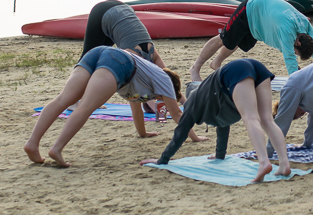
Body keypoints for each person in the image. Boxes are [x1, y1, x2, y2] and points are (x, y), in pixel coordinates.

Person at [24, 46, 207, 167]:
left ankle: (32, 144)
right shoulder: (165, 81)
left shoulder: (144, 84)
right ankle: (56, 148)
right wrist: (195, 137)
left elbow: (136, 108)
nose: (163, 102)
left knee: (62, 100)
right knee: (86, 107)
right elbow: (176, 114)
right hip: (121, 62)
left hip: (98, 53)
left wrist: (143, 133)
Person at [140, 59, 291, 183]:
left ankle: (264, 162)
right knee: (267, 120)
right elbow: (223, 125)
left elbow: (180, 134)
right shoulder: (210, 101)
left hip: (234, 71)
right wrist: (220, 155)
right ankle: (284, 165)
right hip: (255, 65)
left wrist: (162, 160)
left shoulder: (193, 104)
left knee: (250, 118)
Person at [190, 0, 313, 81]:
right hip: (251, 8)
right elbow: (289, 58)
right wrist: (296, 80)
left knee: (235, 42)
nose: (294, 53)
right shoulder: (287, 31)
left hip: (259, 21)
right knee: (223, 39)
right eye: (296, 52)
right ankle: (195, 68)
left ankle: (216, 63)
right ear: (298, 42)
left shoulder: (309, 31)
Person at [81, 0, 165, 67]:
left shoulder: (152, 54)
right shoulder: (131, 57)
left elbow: (166, 75)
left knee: (98, 57)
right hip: (102, 12)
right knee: (87, 58)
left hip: (124, 8)